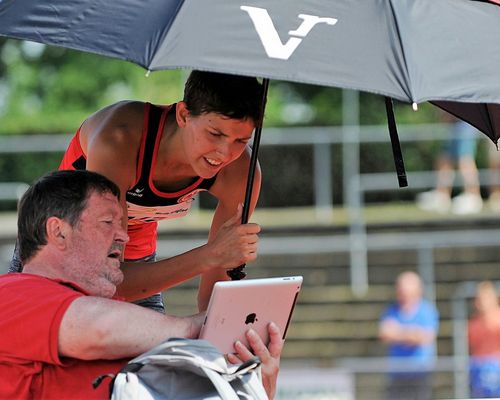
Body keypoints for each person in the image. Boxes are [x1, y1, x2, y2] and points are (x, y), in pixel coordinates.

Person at [0, 170, 282, 400]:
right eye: (108, 221)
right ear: (58, 231)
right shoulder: (11, 292)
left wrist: (256, 378)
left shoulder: (127, 322)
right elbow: (98, 329)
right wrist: (213, 329)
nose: (124, 236)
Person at [9, 70, 264, 313]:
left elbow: (213, 297)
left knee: (153, 356)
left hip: (135, 259)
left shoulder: (241, 172)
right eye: (215, 133)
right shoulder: (120, 138)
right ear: (184, 115)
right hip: (55, 252)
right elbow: (104, 278)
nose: (224, 152)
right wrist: (209, 255)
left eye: (241, 140)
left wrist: (221, 334)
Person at [378, 271, 439, 400]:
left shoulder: (427, 310)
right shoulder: (391, 310)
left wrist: (398, 332)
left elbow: (425, 337)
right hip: (397, 374)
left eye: (407, 292)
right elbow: (384, 334)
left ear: (417, 291)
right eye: (400, 291)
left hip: (420, 373)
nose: (403, 295)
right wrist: (411, 333)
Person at [416, 115, 482, 215]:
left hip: (465, 123)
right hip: (453, 124)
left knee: (464, 160)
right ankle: (442, 195)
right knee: (445, 159)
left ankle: (473, 196)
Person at [468, 281, 500, 398]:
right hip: (479, 370)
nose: (482, 302)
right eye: (479, 298)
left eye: (486, 298)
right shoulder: (474, 324)